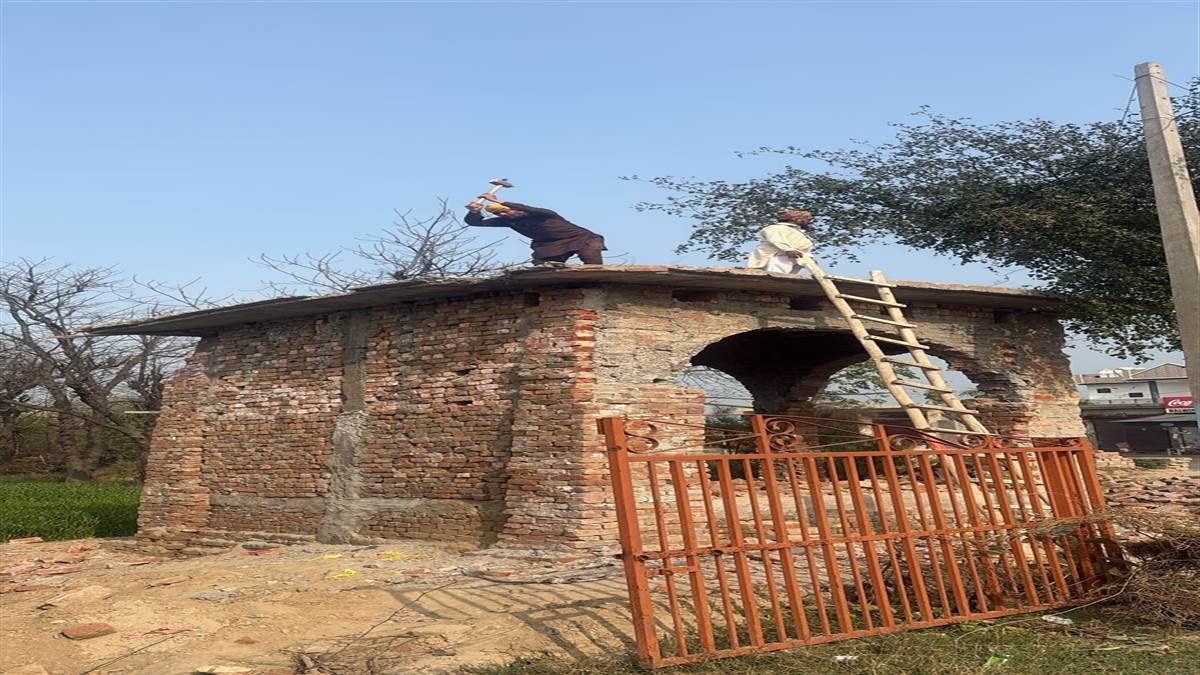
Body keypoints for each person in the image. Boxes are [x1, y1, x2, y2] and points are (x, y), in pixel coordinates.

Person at [464, 194, 606, 265]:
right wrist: (474, 212)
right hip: (549, 245)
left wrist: (500, 201)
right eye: (499, 213)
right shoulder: (509, 221)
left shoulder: (543, 214)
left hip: (582, 239)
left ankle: (597, 283)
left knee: (591, 260)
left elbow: (530, 208)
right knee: (543, 267)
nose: (503, 214)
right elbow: (476, 223)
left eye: (505, 211)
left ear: (516, 209)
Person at [746, 210, 814, 274]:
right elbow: (776, 239)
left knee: (787, 277)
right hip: (778, 256)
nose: (810, 222)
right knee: (776, 275)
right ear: (795, 218)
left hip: (795, 259)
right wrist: (788, 250)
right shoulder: (776, 228)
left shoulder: (799, 232)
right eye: (807, 219)